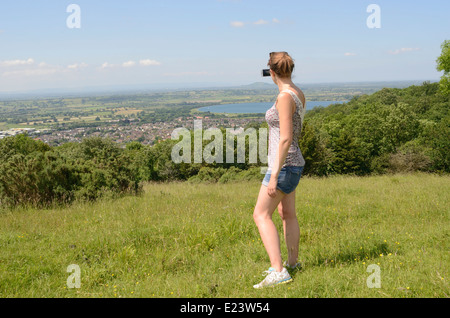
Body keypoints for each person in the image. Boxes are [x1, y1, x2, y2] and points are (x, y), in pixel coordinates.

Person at [253, 52, 306, 289]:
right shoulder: (297, 92)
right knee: (288, 214)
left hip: (283, 165)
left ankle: (278, 270)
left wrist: (274, 175)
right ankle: (292, 263)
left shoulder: (285, 97)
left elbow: (285, 138)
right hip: (294, 163)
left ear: (272, 72)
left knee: (261, 215)